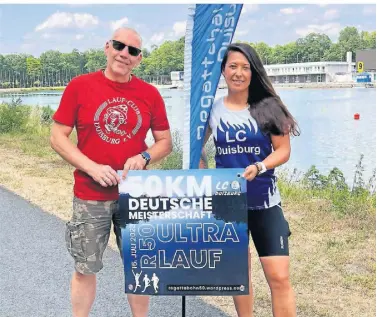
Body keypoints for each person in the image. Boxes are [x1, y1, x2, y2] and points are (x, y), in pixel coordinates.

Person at [50, 27, 172, 317]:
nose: (124, 54)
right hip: (91, 197)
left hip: (135, 195)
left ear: (139, 59)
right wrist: (91, 167)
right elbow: (57, 137)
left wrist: (144, 156)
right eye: (119, 46)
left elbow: (165, 142)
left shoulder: (150, 93)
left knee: (140, 269)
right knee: (85, 268)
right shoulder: (80, 86)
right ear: (107, 47)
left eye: (133, 51)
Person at [200, 43, 300, 317]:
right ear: (223, 70)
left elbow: (283, 151)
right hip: (229, 206)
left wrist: (260, 165)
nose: (239, 73)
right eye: (233, 66)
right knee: (239, 277)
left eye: (245, 67)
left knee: (279, 277)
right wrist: (204, 172)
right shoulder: (213, 110)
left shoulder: (269, 107)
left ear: (254, 72)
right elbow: (197, 147)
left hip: (265, 203)